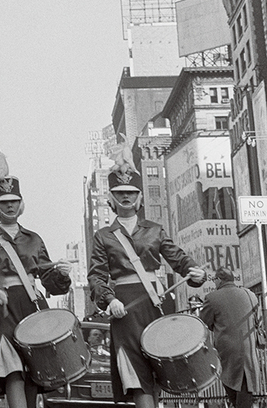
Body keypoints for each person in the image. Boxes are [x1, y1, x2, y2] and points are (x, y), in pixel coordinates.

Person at [88, 160, 206, 408]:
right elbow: (97, 276)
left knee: (160, 369)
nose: (126, 197)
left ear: (139, 196)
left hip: (157, 303)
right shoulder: (103, 236)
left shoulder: (155, 230)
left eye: (131, 192)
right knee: (137, 372)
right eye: (120, 193)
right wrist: (110, 300)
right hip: (125, 308)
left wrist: (195, 273)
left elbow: (179, 259)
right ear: (111, 198)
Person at [0, 143, 71, 408]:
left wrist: (62, 275)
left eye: (13, 202)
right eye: (3, 203)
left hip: (32, 305)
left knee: (34, 371)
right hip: (3, 309)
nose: (9, 207)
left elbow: (49, 280)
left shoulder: (34, 239)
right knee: (12, 368)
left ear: (20, 204)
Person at [200, 267, 261, 408]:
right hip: (249, 351)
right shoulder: (250, 295)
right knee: (244, 395)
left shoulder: (212, 298)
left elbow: (204, 322)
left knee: (235, 394)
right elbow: (257, 321)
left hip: (227, 354)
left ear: (219, 280)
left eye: (214, 280)